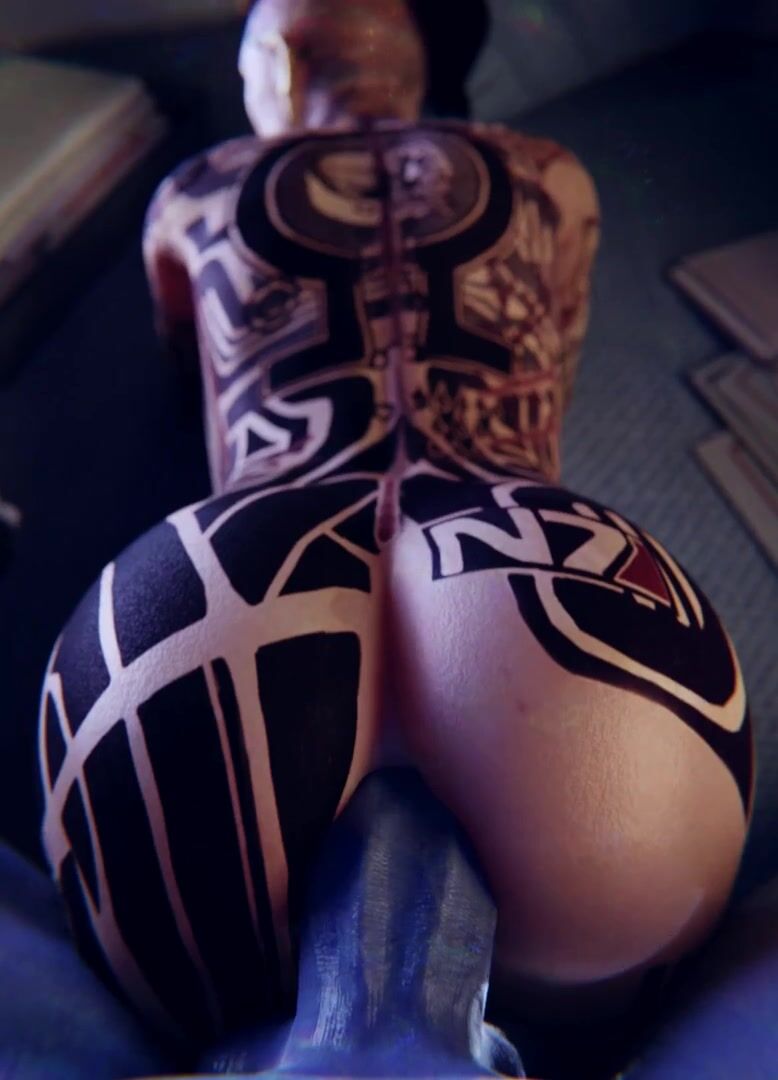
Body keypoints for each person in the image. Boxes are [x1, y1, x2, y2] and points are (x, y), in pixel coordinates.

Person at [39, 0, 753, 1057]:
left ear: (278, 63)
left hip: (224, 580)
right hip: (538, 564)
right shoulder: (544, 173)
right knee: (628, 1016)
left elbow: (189, 379)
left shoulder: (193, 190)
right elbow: (556, 350)